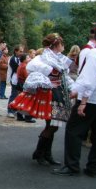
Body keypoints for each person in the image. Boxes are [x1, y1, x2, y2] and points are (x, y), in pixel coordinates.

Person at [52, 24, 96, 177]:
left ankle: (72, 166)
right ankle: (94, 167)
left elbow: (88, 80)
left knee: (74, 131)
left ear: (95, 36)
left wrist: (81, 99)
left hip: (92, 98)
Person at [9, 33, 73, 166]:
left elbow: (65, 77)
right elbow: (30, 67)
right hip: (50, 93)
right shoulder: (43, 57)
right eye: (62, 43)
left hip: (59, 92)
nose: (63, 46)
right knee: (53, 125)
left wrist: (74, 88)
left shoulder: (59, 58)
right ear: (56, 45)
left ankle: (45, 154)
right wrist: (49, 72)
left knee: (53, 125)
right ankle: (40, 153)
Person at [15, 54, 36, 123]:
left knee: (21, 100)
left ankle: (19, 116)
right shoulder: (25, 66)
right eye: (28, 57)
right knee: (28, 100)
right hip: (24, 84)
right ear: (24, 59)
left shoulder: (21, 65)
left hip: (20, 84)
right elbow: (27, 76)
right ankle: (28, 117)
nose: (29, 58)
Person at [7, 45, 24, 118]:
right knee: (14, 95)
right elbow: (17, 68)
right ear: (16, 51)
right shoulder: (13, 59)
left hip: (19, 79)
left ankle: (15, 109)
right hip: (15, 79)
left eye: (22, 51)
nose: (21, 53)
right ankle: (10, 110)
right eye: (20, 51)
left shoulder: (19, 58)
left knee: (18, 96)